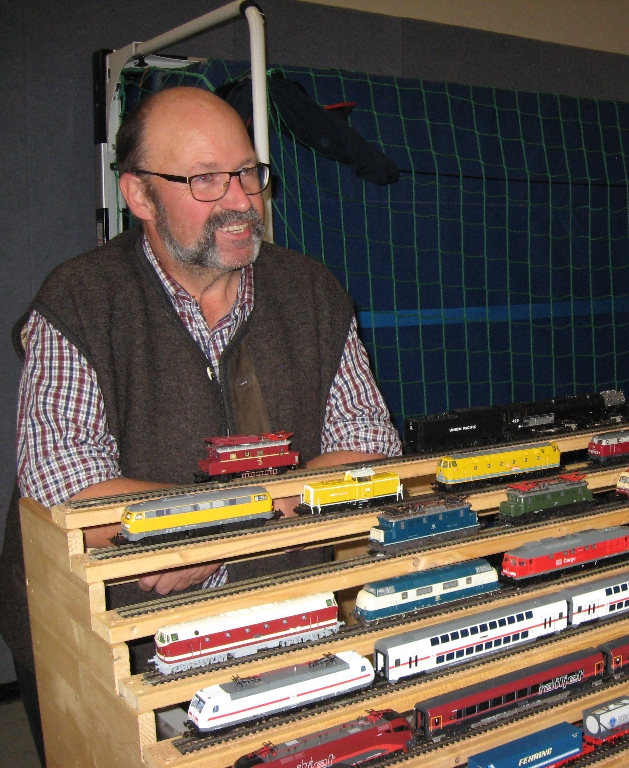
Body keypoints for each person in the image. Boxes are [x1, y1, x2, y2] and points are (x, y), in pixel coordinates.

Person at [1, 86, 402, 762]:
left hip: (276, 612)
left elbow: (370, 457)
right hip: (105, 639)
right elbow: (69, 501)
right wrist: (250, 515)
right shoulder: (78, 301)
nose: (242, 200)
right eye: (206, 179)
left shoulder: (313, 293)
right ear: (139, 194)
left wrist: (221, 529)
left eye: (247, 172)